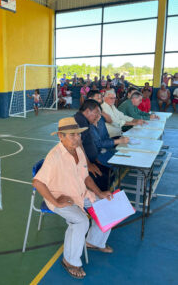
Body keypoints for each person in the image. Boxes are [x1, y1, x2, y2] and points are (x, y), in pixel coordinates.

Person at [33, 117, 113, 279]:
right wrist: (55, 202)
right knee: (80, 221)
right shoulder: (54, 157)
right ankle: (69, 261)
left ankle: (94, 242)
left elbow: (86, 177)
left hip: (79, 193)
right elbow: (37, 182)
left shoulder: (78, 151)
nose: (77, 138)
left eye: (78, 135)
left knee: (107, 205)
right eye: (72, 135)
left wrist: (99, 193)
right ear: (60, 136)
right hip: (60, 197)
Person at [74, 100, 113, 191]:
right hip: (81, 165)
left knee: (108, 172)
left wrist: (94, 159)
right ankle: (98, 199)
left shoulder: (85, 121)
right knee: (103, 178)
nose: (98, 117)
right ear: (87, 111)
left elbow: (88, 143)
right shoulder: (80, 121)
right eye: (96, 113)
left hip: (91, 161)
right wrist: (87, 165)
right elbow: (78, 146)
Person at [87, 91, 129, 166]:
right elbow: (98, 144)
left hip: (105, 147)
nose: (100, 101)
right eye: (98, 98)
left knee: (124, 155)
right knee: (119, 161)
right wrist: (117, 141)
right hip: (97, 153)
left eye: (101, 98)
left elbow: (109, 123)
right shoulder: (88, 121)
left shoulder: (101, 117)